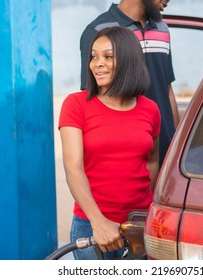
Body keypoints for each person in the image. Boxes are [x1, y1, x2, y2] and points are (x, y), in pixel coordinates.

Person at [59, 26, 161, 260]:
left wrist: (143, 215)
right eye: (93, 56)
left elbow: (152, 161)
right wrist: (99, 222)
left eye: (107, 56)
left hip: (137, 227)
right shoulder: (76, 104)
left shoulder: (150, 109)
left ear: (128, 60)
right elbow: (73, 168)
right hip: (91, 226)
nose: (97, 63)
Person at [80, 0, 179, 167]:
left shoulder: (162, 29)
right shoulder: (98, 31)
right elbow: (92, 97)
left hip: (165, 150)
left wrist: (177, 143)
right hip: (129, 150)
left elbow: (167, 88)